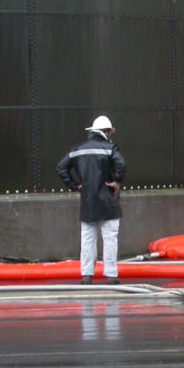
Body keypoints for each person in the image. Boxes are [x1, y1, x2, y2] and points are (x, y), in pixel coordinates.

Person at [56, 115, 127, 285]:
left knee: (87, 239)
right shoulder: (109, 148)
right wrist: (116, 182)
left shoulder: (77, 149)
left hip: (87, 201)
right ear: (106, 132)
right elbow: (121, 164)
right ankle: (111, 275)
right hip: (108, 201)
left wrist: (75, 186)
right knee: (110, 239)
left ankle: (86, 275)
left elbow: (61, 168)